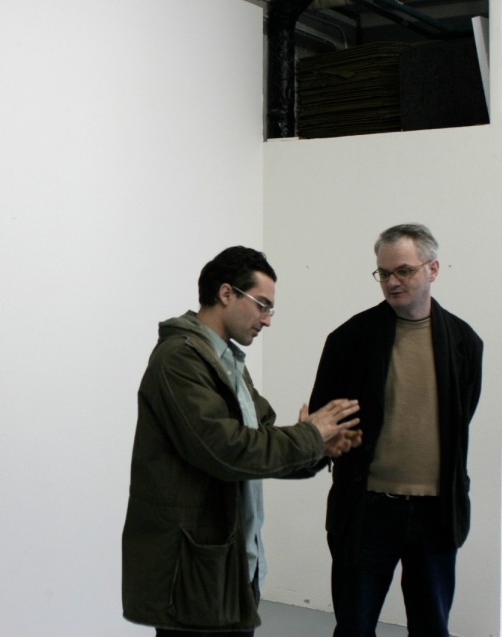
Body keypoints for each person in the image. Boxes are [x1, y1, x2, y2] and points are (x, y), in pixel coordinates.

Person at [122, 246, 361, 636]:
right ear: (226, 293)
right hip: (192, 573)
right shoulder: (178, 360)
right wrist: (310, 435)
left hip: (231, 565)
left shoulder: (227, 363)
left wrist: (318, 449)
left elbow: (260, 443)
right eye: (262, 305)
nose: (267, 320)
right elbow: (226, 450)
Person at [309, 224, 483, 636]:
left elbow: (461, 419)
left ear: (433, 269)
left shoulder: (464, 342)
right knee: (354, 626)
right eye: (384, 273)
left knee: (431, 627)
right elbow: (322, 419)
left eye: (404, 271)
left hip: (436, 513)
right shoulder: (350, 339)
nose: (392, 282)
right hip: (368, 510)